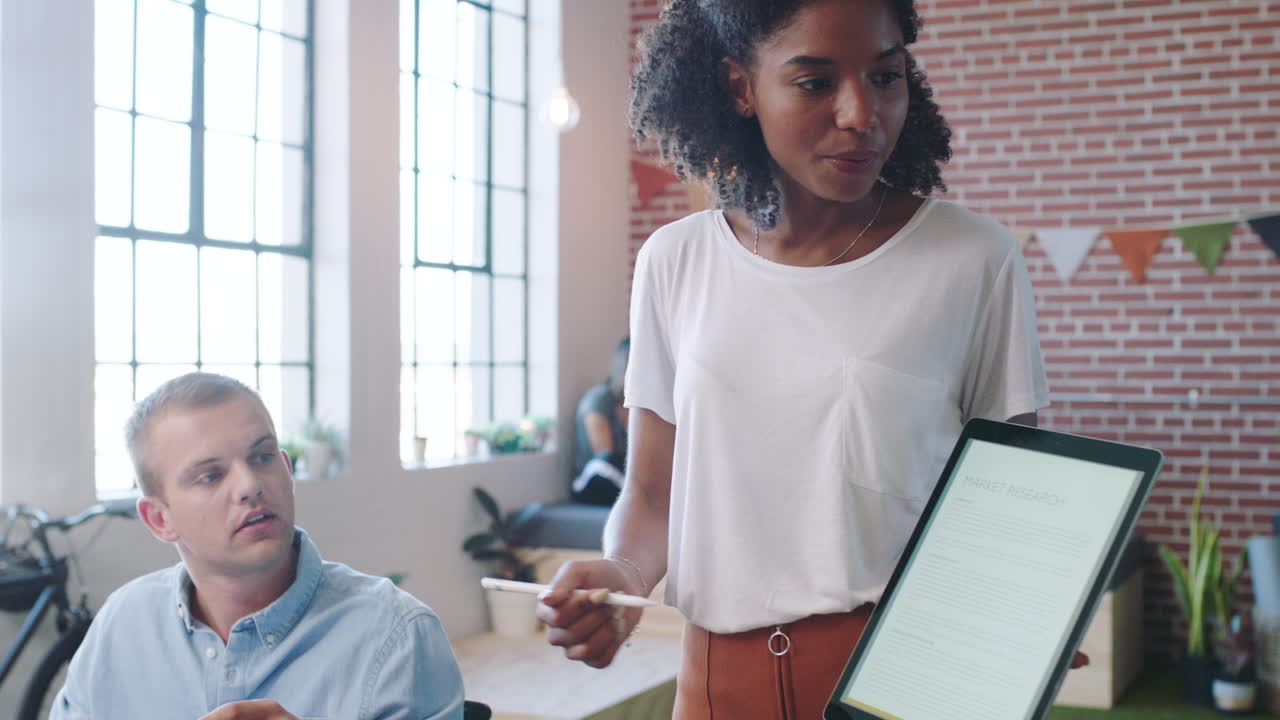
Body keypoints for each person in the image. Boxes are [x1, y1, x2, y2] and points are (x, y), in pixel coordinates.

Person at [536, 1, 1084, 718]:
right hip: (713, 688)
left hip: (901, 683)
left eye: (886, 76)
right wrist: (622, 575)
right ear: (740, 87)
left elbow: (1009, 496)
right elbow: (651, 494)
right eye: (815, 82)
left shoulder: (973, 258)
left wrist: (1027, 604)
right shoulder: (675, 260)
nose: (862, 114)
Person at [51, 373, 465, 719]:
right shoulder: (121, 625)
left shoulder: (397, 635)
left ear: (286, 468)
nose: (250, 485)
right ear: (160, 519)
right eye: (210, 476)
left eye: (262, 457)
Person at [570, 338, 630, 506]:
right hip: (595, 478)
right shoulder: (598, 399)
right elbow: (604, 452)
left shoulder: (642, 408)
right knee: (606, 461)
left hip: (622, 475)